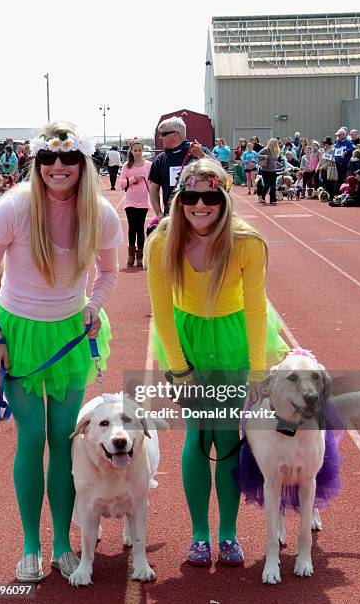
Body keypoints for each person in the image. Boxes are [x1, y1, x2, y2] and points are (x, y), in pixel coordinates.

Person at [0, 121, 123, 583]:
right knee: (31, 438)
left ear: (81, 164)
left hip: (68, 337)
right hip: (18, 334)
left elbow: (108, 274)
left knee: (64, 442)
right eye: (49, 160)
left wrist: (93, 308)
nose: (58, 168)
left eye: (68, 159)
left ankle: (62, 543)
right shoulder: (13, 209)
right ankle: (30, 546)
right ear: (38, 164)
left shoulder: (100, 214)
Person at [146, 157, 288, 567]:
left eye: (211, 197)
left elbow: (257, 310)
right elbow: (161, 310)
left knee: (226, 438)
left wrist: (259, 372)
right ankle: (199, 535)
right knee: (196, 434)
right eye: (191, 197)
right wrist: (178, 368)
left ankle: (228, 534)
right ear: (180, 200)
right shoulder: (161, 242)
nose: (200, 205)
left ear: (225, 199)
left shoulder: (247, 243)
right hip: (185, 340)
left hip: (232, 341)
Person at [149, 116, 214, 219]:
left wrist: (201, 156)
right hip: (172, 217)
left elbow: (220, 170)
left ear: (176, 134)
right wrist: (159, 213)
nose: (161, 137)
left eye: (164, 134)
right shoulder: (160, 160)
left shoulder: (198, 151)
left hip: (199, 216)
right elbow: (153, 188)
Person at [119, 140, 151, 267]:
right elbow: (121, 183)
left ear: (143, 151)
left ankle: (140, 256)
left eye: (140, 150)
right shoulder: (127, 165)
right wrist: (132, 179)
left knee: (140, 228)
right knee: (132, 227)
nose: (137, 153)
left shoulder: (149, 165)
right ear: (131, 151)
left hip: (143, 201)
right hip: (130, 201)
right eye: (135, 150)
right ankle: (131, 255)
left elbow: (151, 184)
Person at [257, 138, 280, 204]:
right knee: (266, 185)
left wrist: (279, 164)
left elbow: (274, 160)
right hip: (265, 170)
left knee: (273, 186)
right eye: (275, 143)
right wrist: (264, 156)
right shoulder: (266, 150)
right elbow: (257, 155)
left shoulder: (276, 150)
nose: (276, 145)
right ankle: (263, 197)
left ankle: (272, 199)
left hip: (273, 170)